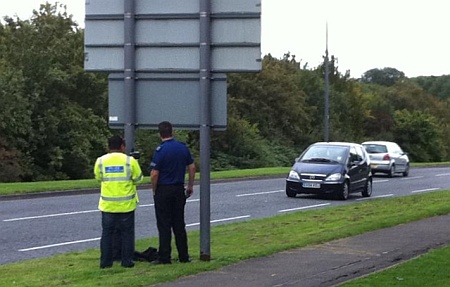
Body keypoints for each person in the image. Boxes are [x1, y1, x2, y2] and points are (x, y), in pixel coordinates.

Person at [94, 135, 143, 268]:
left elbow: (99, 178)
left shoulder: (100, 161)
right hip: (126, 205)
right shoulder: (130, 161)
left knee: (107, 234)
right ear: (122, 146)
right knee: (127, 234)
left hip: (108, 205)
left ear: (108, 146)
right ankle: (127, 262)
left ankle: (105, 263)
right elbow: (139, 179)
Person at [150, 121, 196, 264]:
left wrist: (154, 189)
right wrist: (190, 185)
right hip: (178, 188)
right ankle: (184, 256)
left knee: (164, 224)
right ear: (172, 132)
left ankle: (165, 257)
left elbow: (154, 174)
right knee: (179, 224)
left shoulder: (160, 150)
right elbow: (192, 167)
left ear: (160, 134)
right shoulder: (182, 148)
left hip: (164, 189)